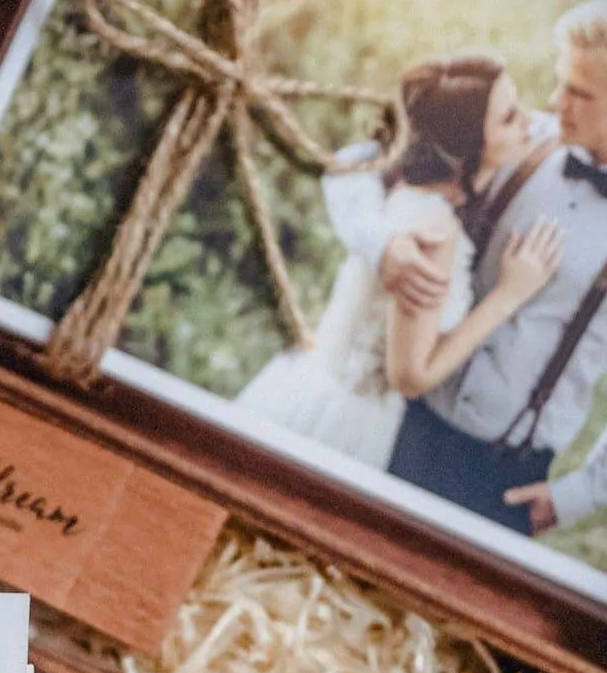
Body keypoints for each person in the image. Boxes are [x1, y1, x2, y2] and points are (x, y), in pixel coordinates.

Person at [383, 0, 607, 538]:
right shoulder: (514, 137)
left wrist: (579, 494)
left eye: (579, 93)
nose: (554, 101)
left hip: (500, 480)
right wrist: (387, 244)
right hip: (404, 422)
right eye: (561, 81)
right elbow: (383, 168)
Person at [232, 52, 565, 469]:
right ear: (466, 149)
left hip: (313, 393)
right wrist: (508, 295)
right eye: (509, 118)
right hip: (344, 427)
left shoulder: (402, 186)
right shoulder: (432, 230)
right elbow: (409, 376)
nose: (528, 124)